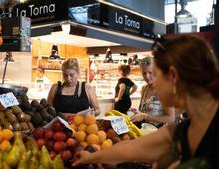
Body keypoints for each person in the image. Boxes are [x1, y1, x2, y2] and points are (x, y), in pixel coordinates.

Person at [73, 35, 219, 168]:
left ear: (173, 76)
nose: (153, 81)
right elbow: (130, 149)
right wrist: (91, 157)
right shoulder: (182, 132)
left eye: (156, 74)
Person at [130, 56, 175, 127]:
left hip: (158, 133)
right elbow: (145, 112)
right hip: (143, 130)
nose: (147, 76)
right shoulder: (144, 88)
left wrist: (145, 116)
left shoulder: (165, 91)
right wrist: (139, 113)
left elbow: (171, 118)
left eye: (150, 72)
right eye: (144, 73)